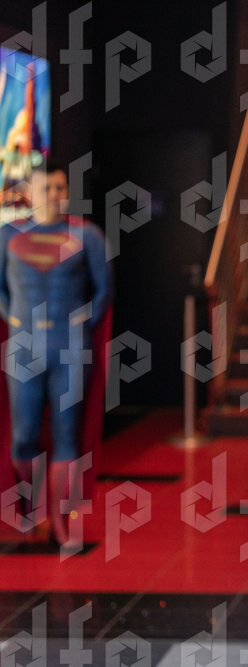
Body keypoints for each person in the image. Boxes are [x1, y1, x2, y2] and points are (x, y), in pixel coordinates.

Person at [0, 162, 112, 549]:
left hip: (70, 349)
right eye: (46, 188)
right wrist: (14, 319)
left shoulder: (87, 235)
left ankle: (61, 521)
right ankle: (34, 508)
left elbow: (103, 291)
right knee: (23, 439)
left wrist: (81, 325)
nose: (53, 195)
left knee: (67, 438)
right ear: (31, 192)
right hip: (24, 347)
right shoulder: (8, 236)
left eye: (60, 188)